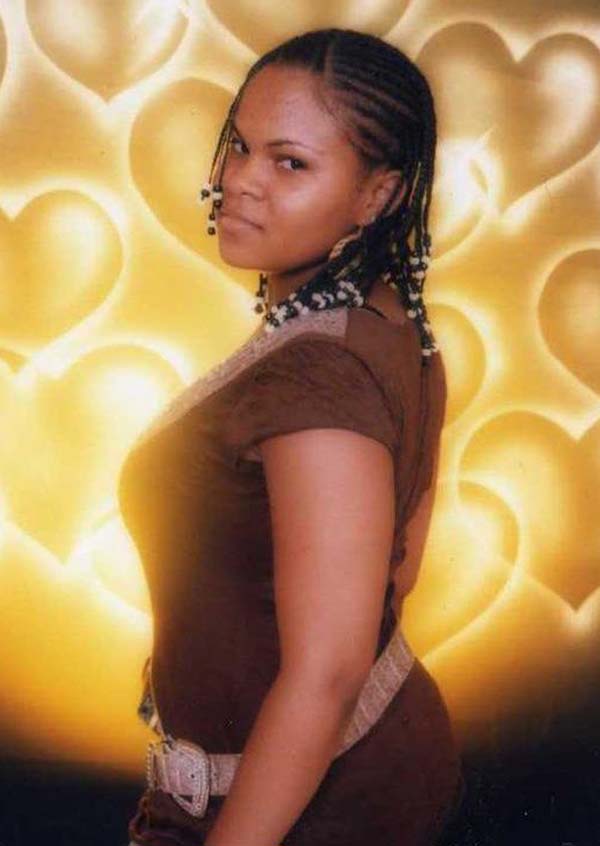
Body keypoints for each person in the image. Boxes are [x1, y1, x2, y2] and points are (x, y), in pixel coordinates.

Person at [119, 27, 463, 846]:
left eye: (291, 163)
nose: (241, 179)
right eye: (240, 145)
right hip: (362, 765)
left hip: (302, 807)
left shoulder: (319, 381)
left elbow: (329, 673)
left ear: (377, 196)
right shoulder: (392, 326)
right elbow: (397, 571)